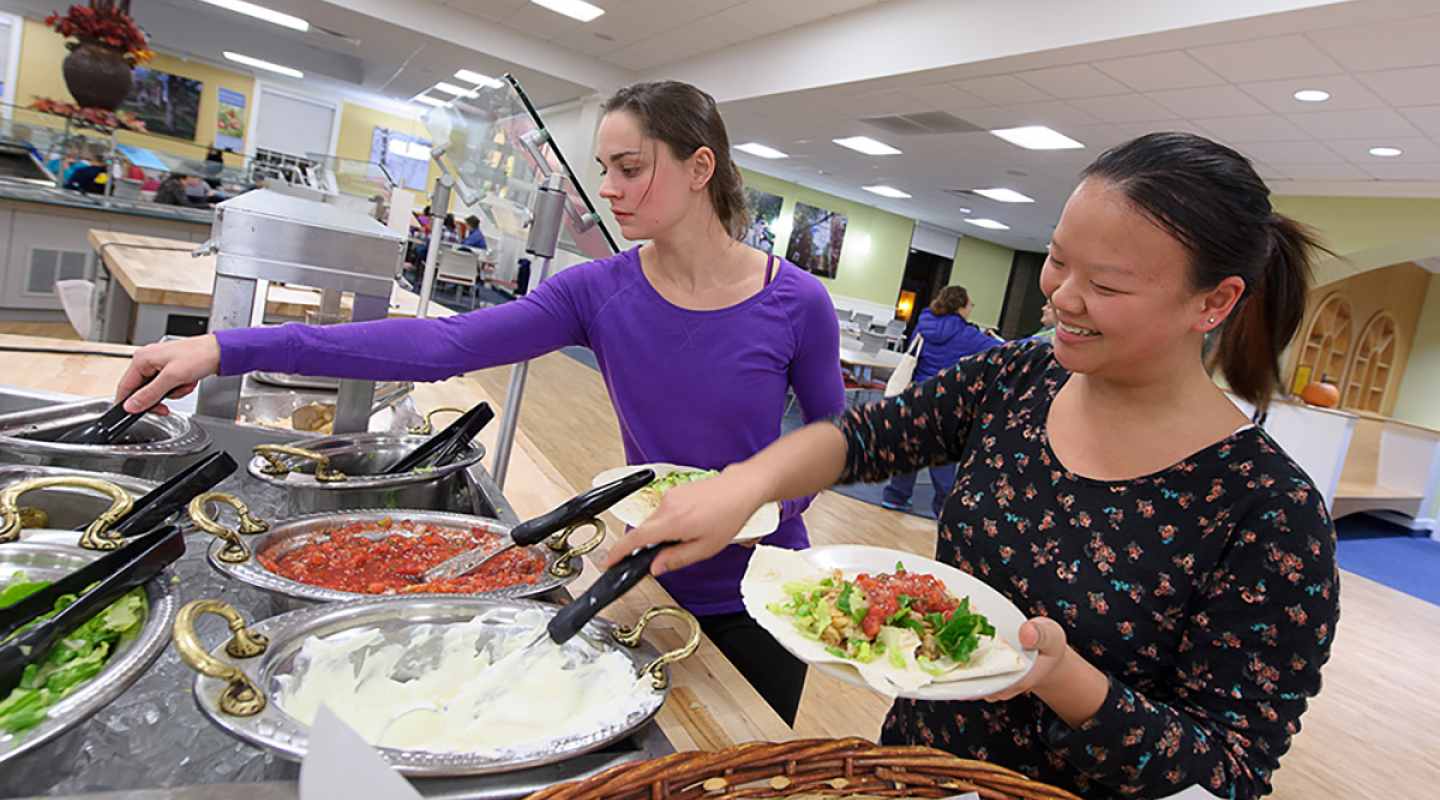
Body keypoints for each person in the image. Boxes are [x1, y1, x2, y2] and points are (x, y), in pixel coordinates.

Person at [608, 132, 1339, 799]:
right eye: (1057, 259)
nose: (1062, 299)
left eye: (1107, 286)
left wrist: (1065, 680)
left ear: (1214, 301)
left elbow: (1230, 774)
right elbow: (864, 437)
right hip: (916, 773)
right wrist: (744, 487)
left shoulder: (1270, 512)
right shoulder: (1017, 378)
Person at [112, 80, 846, 726]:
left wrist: (764, 511)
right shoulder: (598, 291)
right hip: (642, 580)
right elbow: (441, 348)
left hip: (769, 597)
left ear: (700, 168)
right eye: (605, 170)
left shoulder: (797, 302)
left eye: (631, 168)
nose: (611, 189)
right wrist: (228, 348)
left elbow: (831, 443)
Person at [879, 285, 997, 516]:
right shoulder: (969, 335)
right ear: (961, 308)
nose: (971, 309)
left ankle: (896, 497)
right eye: (970, 305)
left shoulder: (924, 326)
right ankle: (943, 506)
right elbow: (1004, 350)